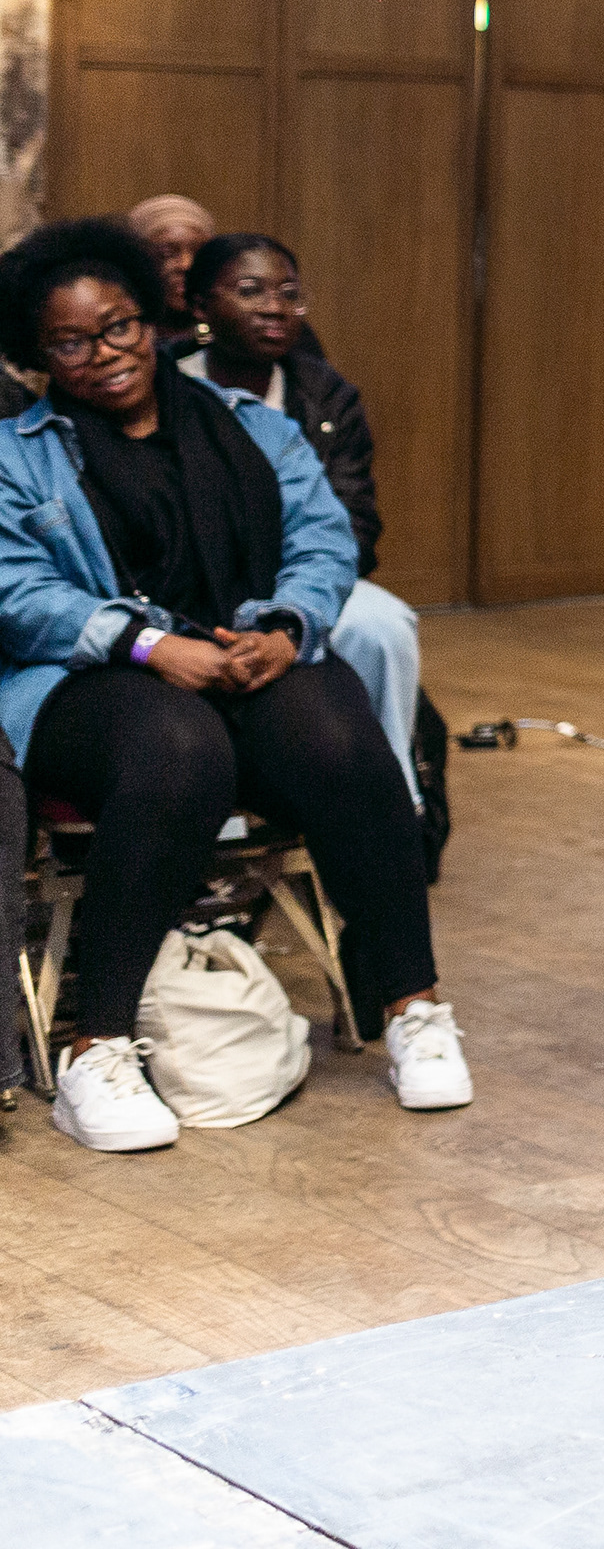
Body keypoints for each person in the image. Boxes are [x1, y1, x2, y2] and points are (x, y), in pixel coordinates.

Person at [0, 218, 469, 1152]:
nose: (105, 353)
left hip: (244, 649)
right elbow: (17, 592)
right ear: (39, 355)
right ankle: (98, 1050)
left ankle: (412, 1007)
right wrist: (145, 645)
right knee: (179, 747)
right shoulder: (18, 452)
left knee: (338, 733)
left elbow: (325, 541)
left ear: (152, 320)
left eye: (119, 327)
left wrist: (288, 629)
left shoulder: (255, 427)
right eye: (72, 342)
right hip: (85, 679)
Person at [177, 235, 424, 810]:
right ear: (200, 306)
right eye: (250, 291)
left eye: (289, 293)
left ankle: (390, 799)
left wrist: (297, 595)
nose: (274, 308)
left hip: (305, 575)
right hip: (189, 587)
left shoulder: (325, 395)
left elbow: (355, 521)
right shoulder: (165, 381)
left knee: (382, 625)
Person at [125, 193, 216, 350]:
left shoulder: (230, 342)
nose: (186, 265)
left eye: (199, 253)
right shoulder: (118, 344)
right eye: (167, 254)